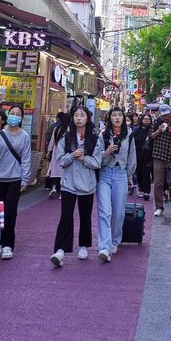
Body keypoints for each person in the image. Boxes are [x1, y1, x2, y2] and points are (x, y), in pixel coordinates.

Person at [51, 106, 103, 267]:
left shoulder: (95, 139)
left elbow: (97, 162)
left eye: (82, 115)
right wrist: (72, 156)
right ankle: (60, 250)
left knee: (85, 216)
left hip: (88, 184)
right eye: (76, 115)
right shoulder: (66, 138)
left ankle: (83, 245)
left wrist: (84, 159)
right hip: (68, 184)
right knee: (66, 216)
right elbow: (60, 161)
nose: (79, 118)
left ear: (88, 118)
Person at [0, 104, 31, 260]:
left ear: (21, 118)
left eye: (18, 114)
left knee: (10, 212)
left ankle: (8, 244)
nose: (15, 115)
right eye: (12, 113)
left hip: (15, 179)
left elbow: (26, 159)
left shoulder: (25, 137)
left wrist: (25, 178)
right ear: (8, 115)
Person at [97, 108, 137, 263]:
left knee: (119, 212)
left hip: (121, 174)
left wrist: (129, 175)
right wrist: (107, 152)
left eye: (120, 115)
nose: (117, 117)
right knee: (105, 211)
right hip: (105, 173)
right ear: (109, 118)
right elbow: (97, 158)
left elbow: (132, 156)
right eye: (114, 115)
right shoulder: (103, 135)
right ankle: (104, 247)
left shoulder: (129, 136)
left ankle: (114, 241)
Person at [150, 104, 171, 217]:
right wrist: (159, 131)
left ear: (170, 114)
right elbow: (150, 137)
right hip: (158, 156)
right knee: (158, 183)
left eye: (166, 115)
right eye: (163, 115)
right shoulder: (156, 123)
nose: (165, 118)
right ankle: (159, 207)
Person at [45, 112, 70, 198]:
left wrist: (49, 151)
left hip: (56, 153)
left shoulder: (57, 128)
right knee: (63, 173)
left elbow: (52, 140)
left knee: (55, 172)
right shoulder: (69, 129)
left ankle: (54, 188)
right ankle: (61, 192)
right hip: (65, 153)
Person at [133, 113, 153, 199]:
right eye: (145, 119)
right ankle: (141, 189)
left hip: (148, 156)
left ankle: (146, 192)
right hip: (137, 155)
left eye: (148, 119)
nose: (146, 121)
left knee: (146, 173)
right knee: (139, 172)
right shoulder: (136, 130)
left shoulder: (152, 131)